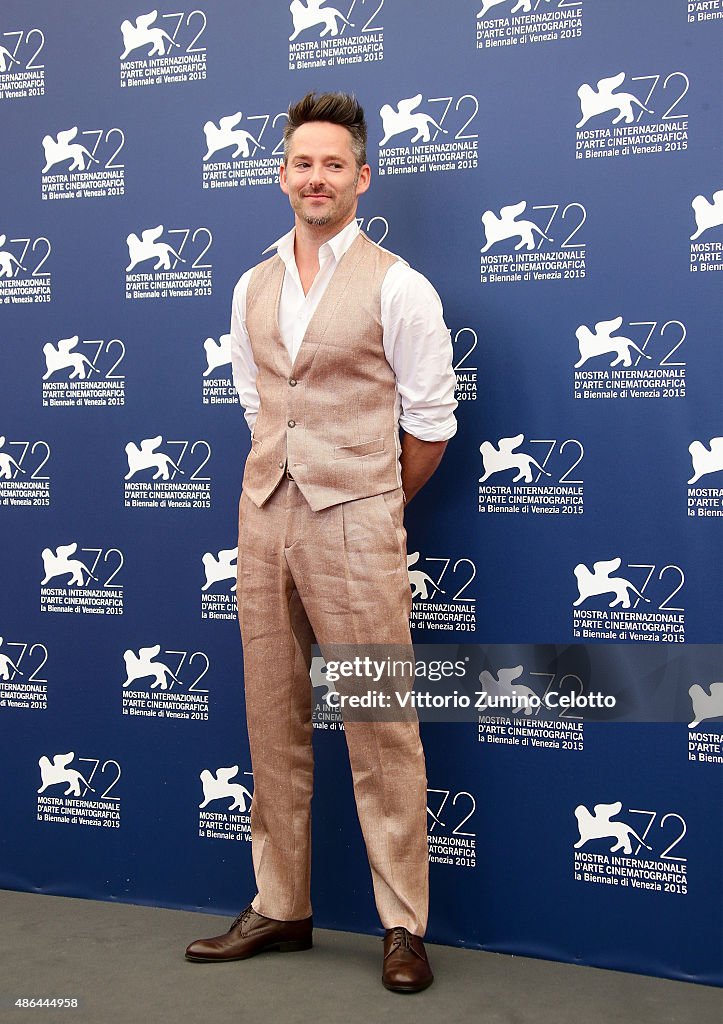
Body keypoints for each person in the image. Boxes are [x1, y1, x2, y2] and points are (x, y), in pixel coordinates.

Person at [185, 91, 457, 993]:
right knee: (271, 717)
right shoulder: (251, 282)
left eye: (334, 164)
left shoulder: (399, 283)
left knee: (380, 725)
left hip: (359, 520)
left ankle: (401, 925)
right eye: (303, 162)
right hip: (264, 517)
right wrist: (293, 480)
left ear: (361, 177)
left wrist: (368, 497)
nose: (316, 177)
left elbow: (429, 424)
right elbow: (256, 400)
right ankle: (281, 906)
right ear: (281, 174)